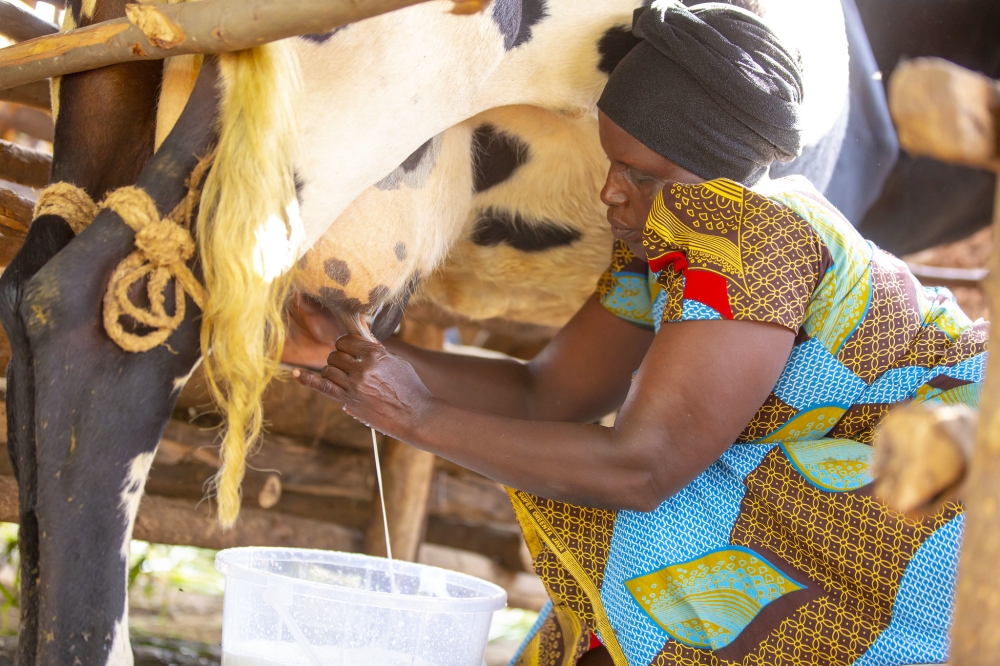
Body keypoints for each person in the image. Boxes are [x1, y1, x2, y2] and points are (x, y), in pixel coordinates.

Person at [293, 2, 986, 664]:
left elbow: (643, 468)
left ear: (715, 173)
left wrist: (417, 416)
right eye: (613, 162)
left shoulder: (752, 232)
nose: (610, 193)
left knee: (657, 563)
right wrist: (355, 355)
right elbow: (545, 395)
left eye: (643, 174)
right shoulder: (662, 239)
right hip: (842, 483)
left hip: (941, 497)